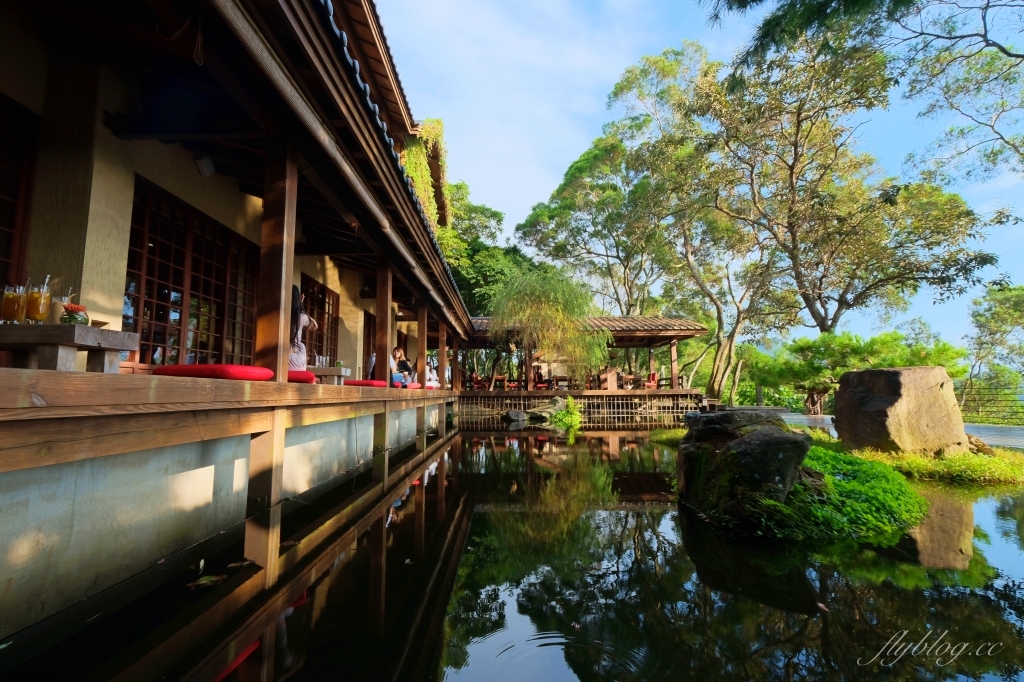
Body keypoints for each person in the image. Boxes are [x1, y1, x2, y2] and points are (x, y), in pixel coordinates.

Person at [288, 285, 318, 372]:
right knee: (302, 346)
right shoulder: (301, 316)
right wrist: (301, 308)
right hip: (297, 362)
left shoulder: (280, 314)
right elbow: (315, 326)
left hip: (280, 360)